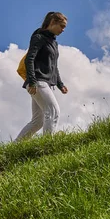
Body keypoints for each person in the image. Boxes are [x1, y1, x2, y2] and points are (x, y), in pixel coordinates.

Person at [16, 11, 68, 140]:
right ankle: (48, 145)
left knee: (37, 121)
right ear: (52, 23)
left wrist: (60, 84)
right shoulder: (39, 37)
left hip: (45, 83)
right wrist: (32, 81)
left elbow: (54, 66)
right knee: (53, 111)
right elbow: (30, 59)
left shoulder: (54, 43)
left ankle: (14, 147)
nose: (63, 30)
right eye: (62, 26)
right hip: (37, 82)